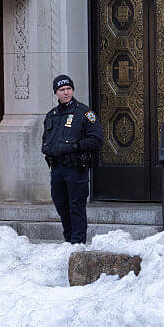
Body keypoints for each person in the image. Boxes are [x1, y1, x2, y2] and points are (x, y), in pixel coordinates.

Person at [41, 74, 104, 244]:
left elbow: (97, 138)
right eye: (62, 90)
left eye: (69, 89)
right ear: (56, 93)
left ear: (73, 90)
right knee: (61, 206)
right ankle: (68, 240)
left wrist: (74, 147)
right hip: (57, 168)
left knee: (76, 207)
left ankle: (77, 244)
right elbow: (46, 139)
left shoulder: (84, 112)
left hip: (75, 168)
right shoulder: (51, 115)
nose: (66, 92)